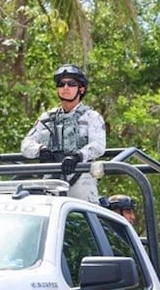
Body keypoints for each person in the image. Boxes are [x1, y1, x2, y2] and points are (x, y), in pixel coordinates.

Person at [21, 64, 107, 203]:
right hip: (51, 180)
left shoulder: (91, 116)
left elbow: (98, 145)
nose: (65, 88)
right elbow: (26, 144)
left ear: (81, 89)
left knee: (83, 219)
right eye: (61, 84)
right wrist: (40, 150)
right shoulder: (47, 118)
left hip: (81, 177)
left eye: (71, 84)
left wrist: (78, 157)